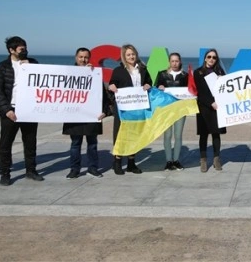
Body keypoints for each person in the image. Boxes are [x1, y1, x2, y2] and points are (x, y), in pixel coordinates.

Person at [0, 36, 43, 186]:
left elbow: (43, 81)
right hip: (11, 110)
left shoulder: (33, 63)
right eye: (21, 49)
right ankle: (5, 173)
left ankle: (31, 170)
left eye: (25, 48)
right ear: (11, 50)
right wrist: (7, 110)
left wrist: (31, 68)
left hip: (29, 109)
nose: (25, 51)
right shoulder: (2, 67)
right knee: (6, 143)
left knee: (30, 141)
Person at [62, 48, 109, 179]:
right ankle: (74, 169)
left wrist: (105, 111)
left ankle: (93, 168)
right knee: (75, 144)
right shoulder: (68, 73)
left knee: (92, 144)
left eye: (86, 57)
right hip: (74, 115)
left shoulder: (95, 74)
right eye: (81, 57)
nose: (83, 60)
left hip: (91, 116)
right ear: (76, 58)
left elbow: (102, 95)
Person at [108, 44, 152, 175]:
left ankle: (131, 163)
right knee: (120, 134)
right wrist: (111, 87)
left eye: (133, 54)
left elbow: (149, 82)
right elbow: (111, 84)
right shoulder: (118, 70)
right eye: (128, 54)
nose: (131, 56)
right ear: (124, 56)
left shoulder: (143, 69)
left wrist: (148, 85)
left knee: (135, 134)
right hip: (123, 108)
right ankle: (117, 162)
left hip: (138, 107)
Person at [193, 48, 227, 172]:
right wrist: (210, 102)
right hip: (203, 107)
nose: (211, 59)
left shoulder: (220, 71)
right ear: (205, 58)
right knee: (203, 135)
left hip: (217, 107)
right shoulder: (198, 72)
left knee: (216, 134)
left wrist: (221, 79)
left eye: (214, 57)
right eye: (209, 57)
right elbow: (200, 92)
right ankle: (203, 160)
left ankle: (217, 159)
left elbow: (225, 89)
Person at [155, 52, 188, 171]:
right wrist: (159, 88)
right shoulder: (162, 74)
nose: (174, 63)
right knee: (167, 135)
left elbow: (191, 92)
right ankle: (169, 161)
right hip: (166, 110)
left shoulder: (186, 75)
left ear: (180, 62)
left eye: (177, 61)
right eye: (172, 61)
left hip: (180, 109)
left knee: (178, 135)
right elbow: (155, 91)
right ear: (169, 62)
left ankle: (176, 160)